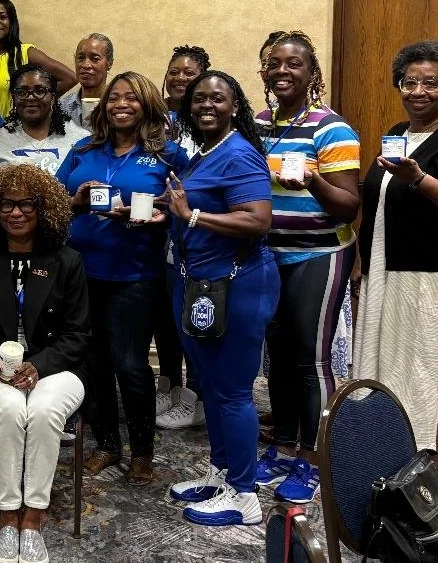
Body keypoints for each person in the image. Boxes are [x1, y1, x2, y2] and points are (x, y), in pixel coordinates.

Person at [56, 72, 187, 486]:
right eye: (114, 98)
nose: (121, 104)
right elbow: (53, 201)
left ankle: (143, 453)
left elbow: (188, 208)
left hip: (136, 275)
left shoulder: (168, 156)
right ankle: (107, 444)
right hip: (82, 274)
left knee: (130, 365)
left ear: (147, 104)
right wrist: (75, 203)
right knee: (93, 363)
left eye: (131, 97)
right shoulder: (84, 149)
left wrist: (163, 216)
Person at [0, 165, 89, 563]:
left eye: (26, 204)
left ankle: (32, 519)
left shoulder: (67, 261)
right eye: (7, 205)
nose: (16, 213)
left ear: (43, 208)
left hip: (56, 368)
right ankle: (6, 518)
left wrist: (37, 366)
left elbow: (78, 334)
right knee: (9, 408)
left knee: (45, 410)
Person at [165, 70, 277, 526]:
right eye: (198, 99)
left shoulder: (240, 153)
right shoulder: (206, 153)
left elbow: (258, 220)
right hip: (203, 286)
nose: (206, 105)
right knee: (210, 387)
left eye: (217, 98)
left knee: (231, 393)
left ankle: (245, 494)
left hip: (239, 285)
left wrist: (192, 218)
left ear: (235, 106)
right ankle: (224, 472)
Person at [252, 31, 360, 504]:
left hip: (320, 253)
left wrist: (313, 178)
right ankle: (282, 445)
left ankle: (315, 461)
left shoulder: (331, 128)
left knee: (310, 357)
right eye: (274, 63)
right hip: (269, 255)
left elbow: (348, 207)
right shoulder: (256, 123)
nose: (282, 71)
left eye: (293, 64)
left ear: (311, 73)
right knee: (278, 355)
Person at [354, 40, 438, 453]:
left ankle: (425, 461)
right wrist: (362, 263)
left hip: (431, 279)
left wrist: (418, 178)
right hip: (385, 274)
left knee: (424, 372)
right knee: (387, 370)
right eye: (409, 82)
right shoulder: (396, 134)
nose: (419, 92)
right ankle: (385, 448)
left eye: (431, 83)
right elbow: (377, 203)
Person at [155, 45, 211, 430]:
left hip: (199, 232)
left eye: (188, 73)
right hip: (161, 232)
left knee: (197, 316)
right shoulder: (157, 118)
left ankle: (199, 397)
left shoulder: (208, 119)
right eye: (173, 71)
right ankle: (171, 388)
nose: (179, 78)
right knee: (168, 315)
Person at [0, 64, 87, 174]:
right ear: (14, 98)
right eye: (22, 92)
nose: (30, 97)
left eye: (40, 91)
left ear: (52, 97)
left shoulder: (80, 139)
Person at [58, 34, 114, 129]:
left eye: (95, 59)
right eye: (80, 58)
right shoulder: (63, 107)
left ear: (110, 63)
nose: (86, 65)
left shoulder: (118, 107)